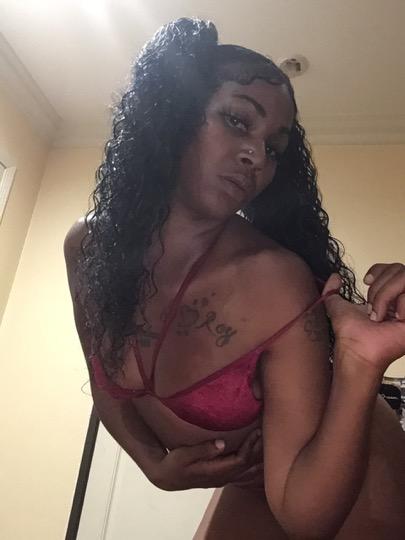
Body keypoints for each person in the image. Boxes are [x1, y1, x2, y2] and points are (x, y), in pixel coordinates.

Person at [64, 17, 405, 539]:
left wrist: (361, 363)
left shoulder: (274, 280)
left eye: (275, 147)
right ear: (174, 115)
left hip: (345, 477)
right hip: (254, 487)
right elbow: (103, 380)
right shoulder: (90, 246)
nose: (257, 156)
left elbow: (306, 516)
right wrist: (153, 465)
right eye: (238, 121)